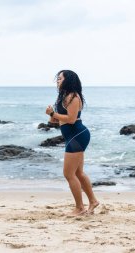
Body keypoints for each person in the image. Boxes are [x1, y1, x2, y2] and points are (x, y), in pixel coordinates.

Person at [45, 70, 99, 216]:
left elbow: (71, 119)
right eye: (57, 78)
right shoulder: (63, 96)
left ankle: (79, 208)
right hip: (73, 136)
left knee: (69, 174)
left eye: (60, 78)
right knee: (78, 173)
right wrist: (52, 117)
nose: (57, 80)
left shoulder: (73, 96)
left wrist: (52, 114)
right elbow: (59, 120)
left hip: (77, 135)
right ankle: (93, 201)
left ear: (68, 80)